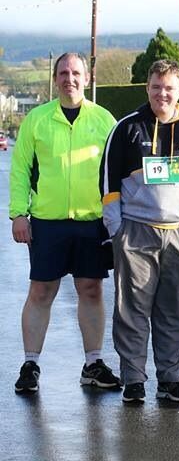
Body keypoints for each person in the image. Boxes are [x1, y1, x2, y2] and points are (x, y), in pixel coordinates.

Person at [100, 59, 179, 404]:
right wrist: (117, 229)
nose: (162, 94)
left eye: (169, 88)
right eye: (156, 87)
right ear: (147, 88)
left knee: (175, 310)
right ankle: (134, 379)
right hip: (135, 232)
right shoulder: (126, 128)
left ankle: (169, 378)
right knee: (131, 309)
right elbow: (108, 182)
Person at [10, 53, 120, 394]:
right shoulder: (37, 120)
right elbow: (20, 168)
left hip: (92, 222)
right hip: (47, 222)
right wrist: (18, 213)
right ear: (55, 78)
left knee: (91, 289)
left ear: (86, 78)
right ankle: (30, 364)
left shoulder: (104, 119)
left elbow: (116, 172)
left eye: (75, 72)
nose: (69, 78)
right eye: (62, 73)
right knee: (41, 291)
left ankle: (93, 364)